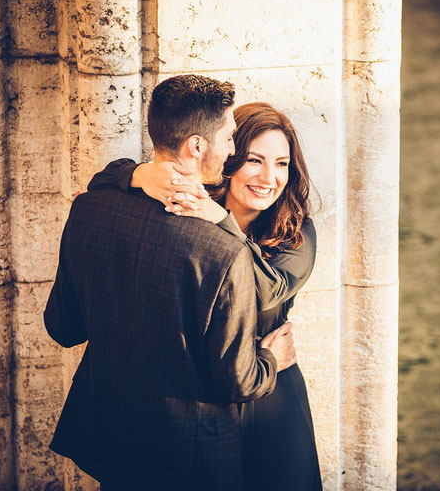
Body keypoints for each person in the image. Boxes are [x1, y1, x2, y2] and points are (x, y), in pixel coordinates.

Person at [44, 76, 296, 491]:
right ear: (196, 146)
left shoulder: (87, 209)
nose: (233, 148)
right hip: (192, 459)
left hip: (110, 436)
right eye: (230, 138)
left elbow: (64, 328)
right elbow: (240, 381)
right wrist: (270, 358)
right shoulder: (224, 252)